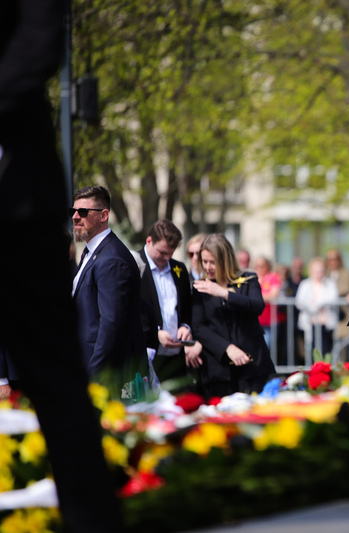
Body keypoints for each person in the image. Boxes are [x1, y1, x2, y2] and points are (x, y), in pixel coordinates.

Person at [0, 1, 124, 529]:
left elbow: (40, 30)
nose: (80, 219)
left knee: (56, 382)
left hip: (18, 206)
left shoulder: (112, 258)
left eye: (85, 213)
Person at [72, 185, 147, 390]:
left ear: (104, 215)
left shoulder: (111, 259)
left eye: (84, 212)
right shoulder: (93, 252)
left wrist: (93, 377)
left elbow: (110, 324)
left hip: (109, 377)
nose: (76, 217)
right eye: (74, 211)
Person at [191, 234, 276, 398]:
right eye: (204, 261)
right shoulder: (200, 287)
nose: (208, 267)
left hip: (252, 367)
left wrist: (224, 293)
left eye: (212, 262)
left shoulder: (248, 279)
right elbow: (198, 327)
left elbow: (257, 306)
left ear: (225, 260)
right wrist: (227, 348)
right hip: (219, 371)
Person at [136, 219, 195, 389]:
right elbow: (132, 311)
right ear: (149, 241)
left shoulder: (179, 269)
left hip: (176, 356)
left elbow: (186, 306)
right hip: (147, 355)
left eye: (171, 253)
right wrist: (157, 333)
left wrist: (185, 326)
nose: (166, 258)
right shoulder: (134, 264)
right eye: (162, 252)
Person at [296, 257, 340, 357]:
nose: (319, 273)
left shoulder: (330, 283)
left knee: (326, 351)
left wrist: (319, 304)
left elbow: (334, 298)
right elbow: (299, 301)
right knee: (311, 351)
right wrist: (312, 307)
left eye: (321, 271)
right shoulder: (305, 284)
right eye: (316, 271)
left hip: (326, 322)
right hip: (310, 322)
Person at [254, 256, 285, 352]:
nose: (259, 268)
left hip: (269, 322)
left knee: (267, 348)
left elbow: (273, 295)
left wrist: (254, 298)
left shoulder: (273, 277)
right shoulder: (252, 278)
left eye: (262, 266)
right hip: (255, 320)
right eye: (257, 266)